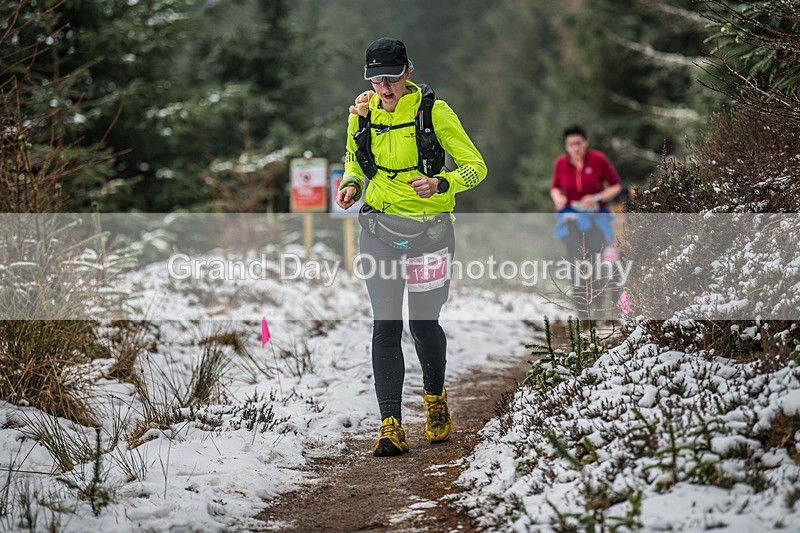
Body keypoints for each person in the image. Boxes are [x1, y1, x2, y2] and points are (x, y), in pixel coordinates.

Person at [336, 37, 487, 457]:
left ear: (409, 72)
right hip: (379, 232)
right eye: (376, 78)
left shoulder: (436, 113)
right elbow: (353, 159)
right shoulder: (361, 116)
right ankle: (390, 425)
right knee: (385, 325)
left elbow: (476, 167)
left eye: (392, 77)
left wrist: (442, 183)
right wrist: (350, 183)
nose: (384, 87)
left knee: (422, 325)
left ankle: (436, 402)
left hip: (430, 235)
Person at [550, 124, 622, 321]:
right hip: (571, 220)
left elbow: (615, 185)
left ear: (585, 143)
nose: (575, 148)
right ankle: (582, 313)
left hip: (596, 220)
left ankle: (598, 308)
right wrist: (558, 199)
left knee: (596, 262)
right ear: (566, 146)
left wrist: (598, 196)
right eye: (571, 144)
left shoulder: (598, 160)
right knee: (576, 263)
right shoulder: (561, 164)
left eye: (578, 143)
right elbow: (555, 188)